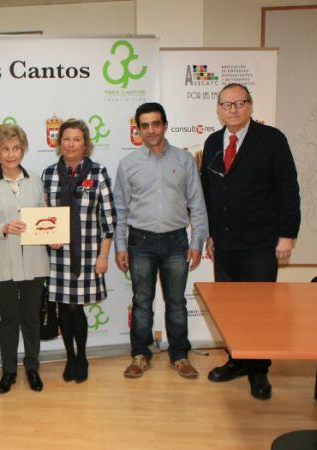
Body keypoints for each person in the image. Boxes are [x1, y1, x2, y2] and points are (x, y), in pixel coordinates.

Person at [201, 83, 300, 400]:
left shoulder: (272, 140)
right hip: (226, 243)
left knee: (259, 311)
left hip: (261, 243)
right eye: (226, 105)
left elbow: (288, 189)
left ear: (250, 106)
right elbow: (210, 194)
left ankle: (258, 370)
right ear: (218, 109)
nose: (233, 109)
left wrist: (287, 235)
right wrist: (211, 235)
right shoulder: (214, 142)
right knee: (232, 310)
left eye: (239, 103)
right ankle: (238, 361)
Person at [114, 103, 208, 380]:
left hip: (176, 241)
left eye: (156, 123)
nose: (151, 130)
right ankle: (140, 355)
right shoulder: (128, 164)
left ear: (165, 125)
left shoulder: (184, 160)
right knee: (142, 301)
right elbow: (121, 210)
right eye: (145, 125)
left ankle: (179, 356)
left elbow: (197, 205)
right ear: (138, 129)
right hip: (139, 242)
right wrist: (121, 246)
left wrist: (197, 241)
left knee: (177, 303)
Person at [0, 123, 49, 395]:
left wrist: (51, 234)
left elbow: (44, 219)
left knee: (30, 318)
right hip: (2, 261)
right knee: (9, 320)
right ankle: (8, 371)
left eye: (16, 148)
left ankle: (32, 368)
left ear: (23, 149)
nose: (11, 154)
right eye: (5, 148)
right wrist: (2, 228)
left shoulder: (36, 180)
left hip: (34, 260)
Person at [41, 119, 117, 383]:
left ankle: (82, 356)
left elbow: (108, 218)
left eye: (76, 139)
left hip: (87, 254)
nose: (70, 144)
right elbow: (45, 216)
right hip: (57, 254)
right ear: (58, 142)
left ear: (85, 144)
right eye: (66, 139)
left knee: (75, 309)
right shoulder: (49, 174)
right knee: (63, 308)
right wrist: (48, 237)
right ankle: (70, 357)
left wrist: (104, 255)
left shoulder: (98, 173)